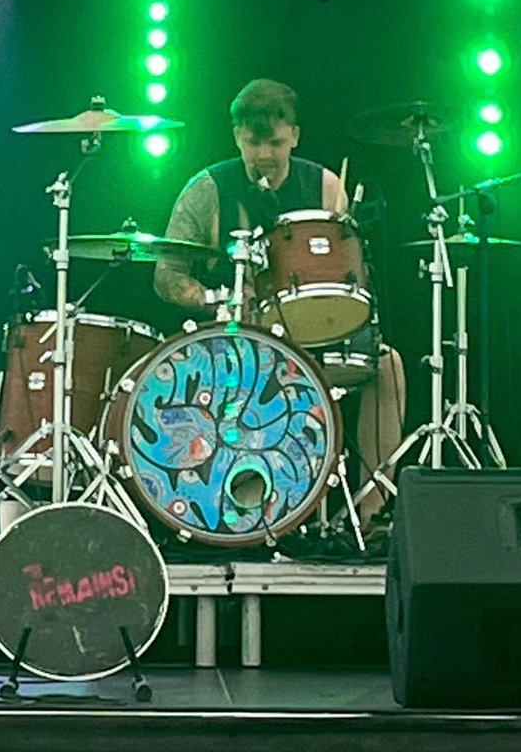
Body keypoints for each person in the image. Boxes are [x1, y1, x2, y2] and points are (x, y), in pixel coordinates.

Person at [154, 78, 405, 534]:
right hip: (233, 345)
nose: (264, 153)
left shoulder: (326, 187)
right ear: (237, 136)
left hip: (311, 339)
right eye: (254, 143)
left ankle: (372, 512)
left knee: (386, 365)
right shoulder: (208, 190)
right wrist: (216, 299)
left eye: (275, 142)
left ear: (295, 135)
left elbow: (349, 271)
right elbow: (166, 274)